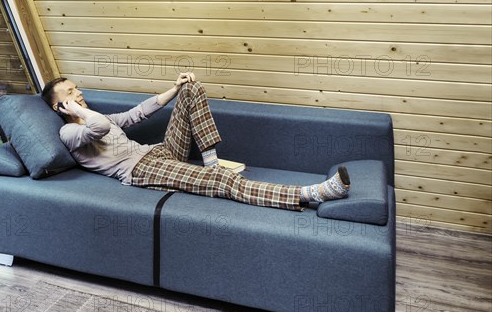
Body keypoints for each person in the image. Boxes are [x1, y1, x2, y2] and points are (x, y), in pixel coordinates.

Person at [41, 73, 350, 211]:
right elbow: (96, 127)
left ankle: (210, 158)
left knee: (192, 88)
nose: (77, 94)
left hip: (159, 153)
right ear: (60, 107)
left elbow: (136, 114)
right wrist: (78, 110)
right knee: (222, 180)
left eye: (76, 88)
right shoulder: (70, 133)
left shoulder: (97, 116)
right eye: (69, 93)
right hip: (140, 171)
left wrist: (173, 89)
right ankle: (311, 194)